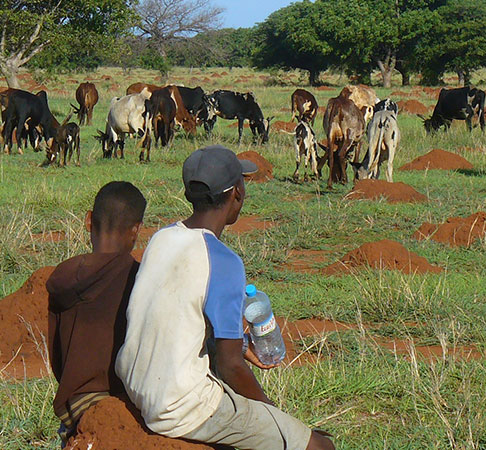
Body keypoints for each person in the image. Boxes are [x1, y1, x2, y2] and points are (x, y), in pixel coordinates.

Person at [116, 145, 335, 450]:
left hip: (136, 386)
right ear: (237, 194)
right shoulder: (224, 260)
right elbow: (230, 365)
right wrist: (273, 415)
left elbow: (178, 315)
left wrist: (240, 344)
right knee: (319, 447)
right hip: (178, 407)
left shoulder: (162, 237)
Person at [46, 181, 147, 444]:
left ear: (88, 220)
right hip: (117, 409)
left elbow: (56, 353)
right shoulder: (137, 278)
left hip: (73, 407)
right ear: (136, 230)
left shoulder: (62, 278)